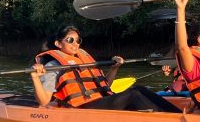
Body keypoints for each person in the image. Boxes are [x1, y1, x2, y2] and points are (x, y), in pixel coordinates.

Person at [30, 25, 180, 112]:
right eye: (70, 40)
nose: (75, 44)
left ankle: (177, 114)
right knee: (133, 94)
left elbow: (104, 86)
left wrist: (114, 69)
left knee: (140, 89)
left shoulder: (82, 59)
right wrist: (35, 77)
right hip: (83, 107)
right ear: (58, 44)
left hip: (98, 100)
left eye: (78, 40)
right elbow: (43, 101)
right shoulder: (53, 65)